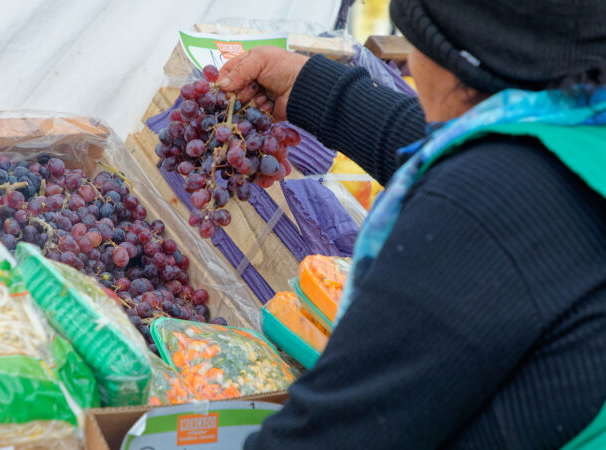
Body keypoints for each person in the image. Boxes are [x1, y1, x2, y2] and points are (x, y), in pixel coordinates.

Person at [218, 0, 606, 448]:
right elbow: (452, 146)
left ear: (450, 54)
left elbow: (335, 437)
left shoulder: (484, 207)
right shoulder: (580, 130)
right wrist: (313, 88)